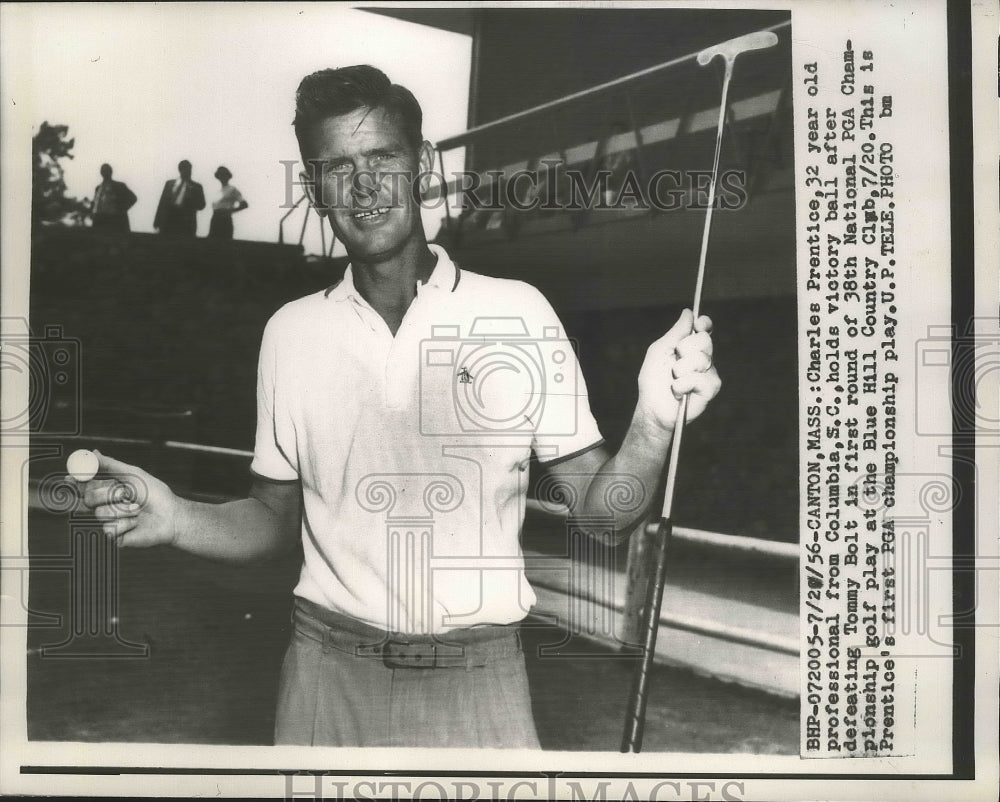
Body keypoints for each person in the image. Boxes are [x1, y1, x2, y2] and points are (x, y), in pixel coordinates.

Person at [73, 65, 721, 749]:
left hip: (480, 682)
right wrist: (176, 517)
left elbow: (606, 516)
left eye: (382, 156)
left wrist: (652, 419)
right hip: (325, 677)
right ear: (315, 186)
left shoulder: (517, 313)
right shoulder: (291, 333)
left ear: (423, 163)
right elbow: (272, 522)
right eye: (335, 167)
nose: (363, 186)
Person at [153, 160, 205, 235]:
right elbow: (162, 203)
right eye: (185, 169)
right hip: (168, 222)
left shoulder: (197, 187)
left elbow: (202, 205)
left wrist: (191, 198)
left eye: (189, 169)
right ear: (180, 170)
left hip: (186, 224)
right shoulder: (169, 184)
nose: (188, 172)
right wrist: (157, 222)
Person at [90, 163, 137, 232]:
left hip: (115, 222)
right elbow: (95, 204)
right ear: (101, 173)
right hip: (100, 222)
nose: (105, 173)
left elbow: (133, 198)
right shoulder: (98, 188)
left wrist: (122, 209)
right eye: (103, 171)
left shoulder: (120, 186)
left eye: (107, 170)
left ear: (111, 172)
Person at [207, 166, 248, 240]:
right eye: (220, 175)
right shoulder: (217, 191)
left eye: (223, 175)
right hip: (215, 219)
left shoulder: (232, 189)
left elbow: (244, 204)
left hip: (225, 220)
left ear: (227, 176)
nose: (222, 177)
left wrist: (231, 211)